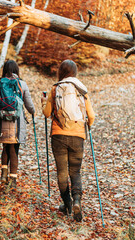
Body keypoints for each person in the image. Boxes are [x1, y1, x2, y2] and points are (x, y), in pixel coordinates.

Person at [41, 59, 95, 222]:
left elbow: (46, 113)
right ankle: (77, 200)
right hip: (77, 135)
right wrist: (87, 126)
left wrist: (44, 103)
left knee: (62, 172)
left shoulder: (55, 89)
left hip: (59, 135)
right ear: (75, 72)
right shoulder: (81, 89)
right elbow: (91, 116)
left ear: (61, 72)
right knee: (75, 171)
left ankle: (67, 205)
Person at [0, 60, 35, 188]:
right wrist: (33, 112)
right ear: (17, 70)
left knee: (6, 147)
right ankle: (13, 180)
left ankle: (3, 175)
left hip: (2, 122)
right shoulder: (22, 84)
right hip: (17, 122)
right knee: (14, 149)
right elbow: (29, 105)